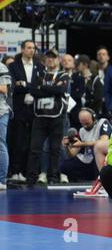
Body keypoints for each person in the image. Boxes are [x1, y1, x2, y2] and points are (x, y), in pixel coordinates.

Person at [26, 49, 69, 186]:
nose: (51, 59)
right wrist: (50, 90)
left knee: (55, 148)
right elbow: (33, 90)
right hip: (40, 116)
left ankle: (53, 176)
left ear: (58, 60)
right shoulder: (39, 74)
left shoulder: (63, 75)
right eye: (48, 57)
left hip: (57, 117)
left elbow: (60, 90)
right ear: (45, 60)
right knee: (35, 148)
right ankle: (31, 177)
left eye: (53, 57)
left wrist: (42, 88)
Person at [8, 40, 45, 182]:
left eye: (33, 48)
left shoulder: (40, 66)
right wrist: (31, 87)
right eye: (29, 48)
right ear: (22, 49)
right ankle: (16, 171)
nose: (31, 50)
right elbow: (13, 87)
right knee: (18, 141)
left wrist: (24, 84)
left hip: (35, 109)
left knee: (33, 142)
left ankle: (30, 172)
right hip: (19, 108)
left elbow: (41, 87)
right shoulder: (13, 66)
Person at [61, 108, 112, 182]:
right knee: (65, 166)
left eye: (87, 123)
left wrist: (82, 144)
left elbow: (103, 141)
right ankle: (81, 180)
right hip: (88, 159)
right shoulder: (82, 130)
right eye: (83, 124)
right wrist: (67, 146)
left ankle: (102, 181)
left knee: (97, 156)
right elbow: (73, 153)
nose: (85, 126)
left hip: (103, 157)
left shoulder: (102, 122)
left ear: (94, 118)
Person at [0, 61, 11, 190]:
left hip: (0, 112)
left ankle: (1, 181)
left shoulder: (1, 67)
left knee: (1, 145)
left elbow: (3, 88)